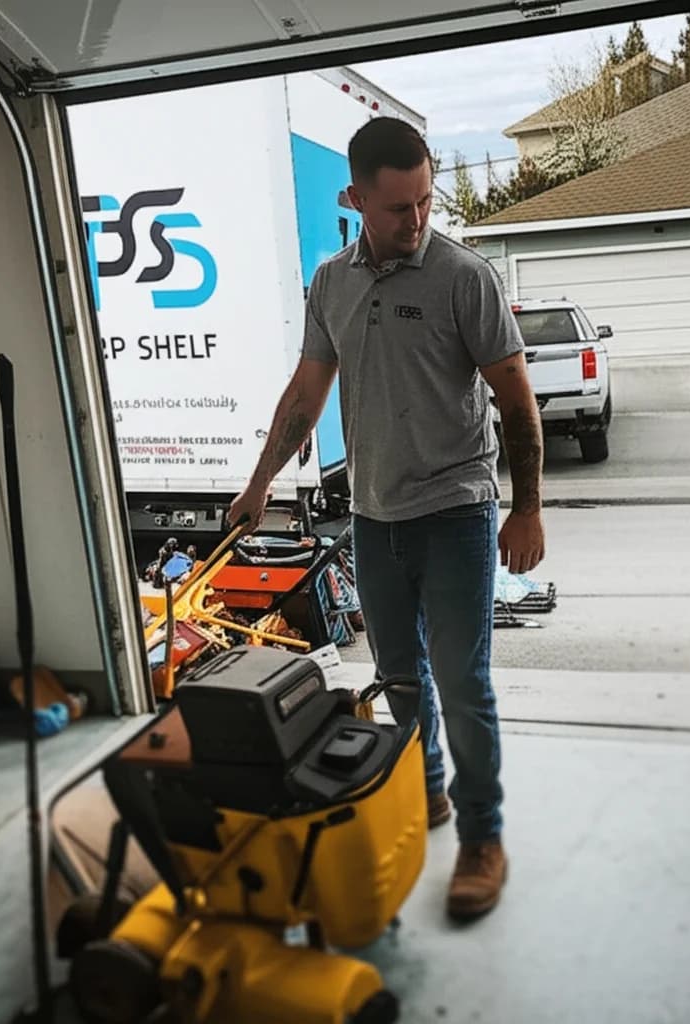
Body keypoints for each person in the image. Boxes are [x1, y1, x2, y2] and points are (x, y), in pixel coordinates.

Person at [227, 116, 544, 920]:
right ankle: (424, 791)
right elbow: (305, 394)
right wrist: (261, 480)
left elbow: (514, 398)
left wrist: (528, 508)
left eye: (425, 202)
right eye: (398, 208)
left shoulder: (461, 277)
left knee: (462, 681)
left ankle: (483, 835)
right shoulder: (331, 283)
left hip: (456, 511)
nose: (416, 221)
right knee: (399, 677)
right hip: (373, 516)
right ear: (355, 198)